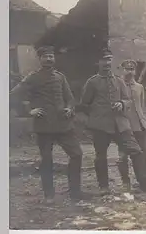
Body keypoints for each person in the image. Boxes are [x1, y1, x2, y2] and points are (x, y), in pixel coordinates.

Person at [10, 46, 88, 204]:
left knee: (77, 154)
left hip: (63, 125)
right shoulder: (32, 77)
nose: (49, 59)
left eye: (51, 56)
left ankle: (75, 192)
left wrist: (69, 108)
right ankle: (49, 195)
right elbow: (13, 95)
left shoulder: (60, 77)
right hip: (44, 125)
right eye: (45, 56)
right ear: (39, 59)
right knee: (47, 159)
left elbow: (70, 98)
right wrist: (28, 110)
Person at [79, 48, 146, 195]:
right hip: (101, 125)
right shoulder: (92, 82)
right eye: (103, 60)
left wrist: (122, 104)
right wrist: (95, 117)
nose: (106, 63)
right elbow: (84, 104)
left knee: (136, 151)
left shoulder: (118, 81)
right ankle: (104, 187)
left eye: (109, 59)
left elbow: (128, 100)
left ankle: (143, 182)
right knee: (101, 155)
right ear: (98, 62)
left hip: (121, 124)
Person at [116, 60, 146, 191]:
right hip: (125, 126)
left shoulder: (139, 87)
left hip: (141, 125)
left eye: (132, 69)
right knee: (122, 156)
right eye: (127, 69)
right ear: (122, 70)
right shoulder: (117, 85)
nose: (130, 72)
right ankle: (126, 183)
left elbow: (144, 106)